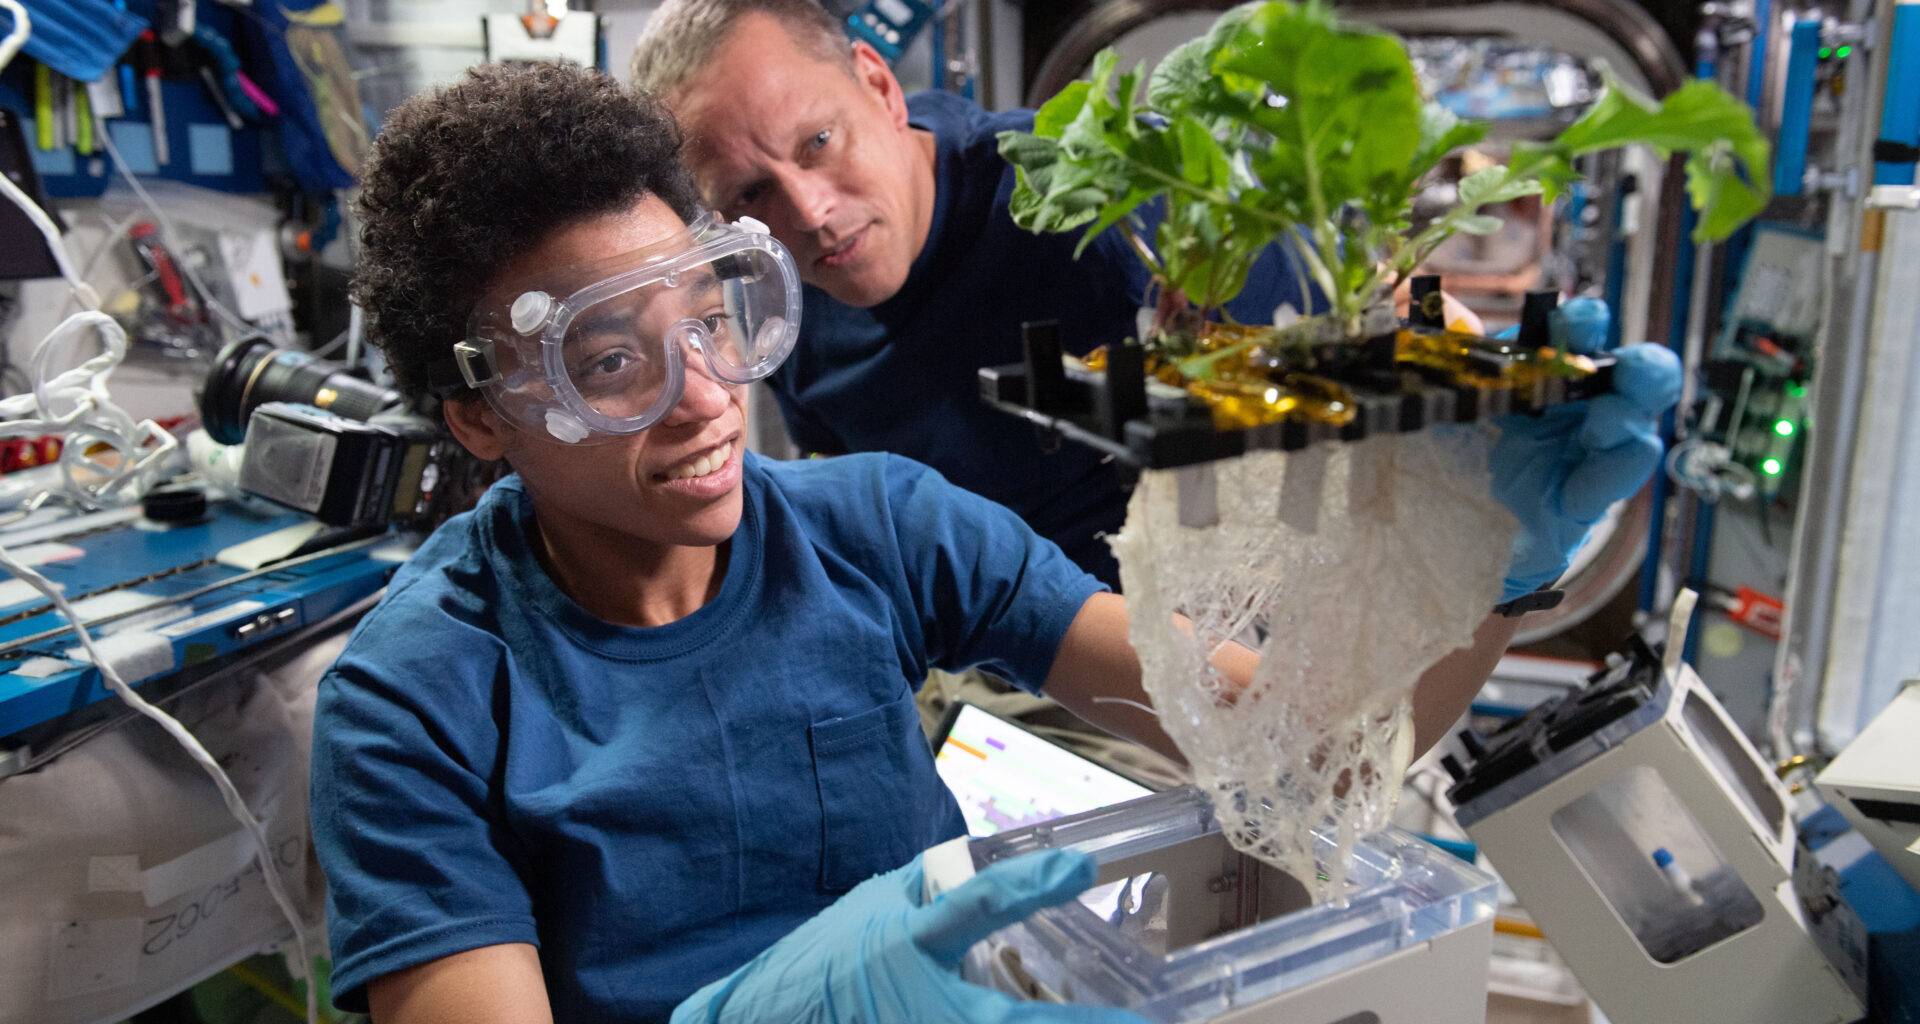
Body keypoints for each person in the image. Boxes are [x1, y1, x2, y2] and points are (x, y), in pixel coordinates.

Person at [312, 60, 1527, 1023]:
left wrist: (1494, 563)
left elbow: (1304, 758)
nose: (706, 396)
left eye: (709, 318)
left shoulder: (881, 526)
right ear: (481, 413)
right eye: (613, 363)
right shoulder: (412, 701)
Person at [630, 0, 1666, 609]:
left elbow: (1372, 358)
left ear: (878, 85)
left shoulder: (1097, 201)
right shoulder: (792, 324)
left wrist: (1484, 510)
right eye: (751, 194)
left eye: (819, 143)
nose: (809, 214)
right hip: (1025, 678)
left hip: (1250, 622)